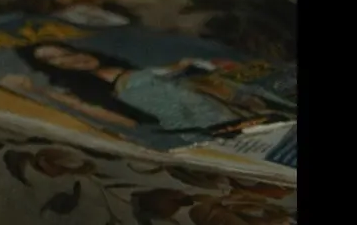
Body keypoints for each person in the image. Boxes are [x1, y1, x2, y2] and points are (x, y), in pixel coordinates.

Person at [19, 43, 283, 133]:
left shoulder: (128, 69)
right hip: (198, 118)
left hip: (218, 100)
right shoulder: (102, 91)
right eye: (56, 61)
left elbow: (175, 73)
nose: (70, 59)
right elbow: (126, 122)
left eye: (65, 52)